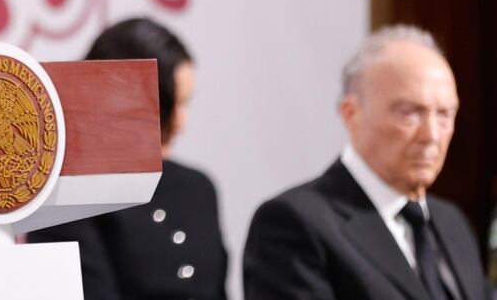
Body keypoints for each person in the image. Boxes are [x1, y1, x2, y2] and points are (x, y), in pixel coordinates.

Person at [243, 25, 487, 300]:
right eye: (408, 112)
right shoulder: (295, 223)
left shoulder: (451, 222)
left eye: (444, 114)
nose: (431, 135)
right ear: (351, 114)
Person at [28, 17, 228, 299]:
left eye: (186, 102)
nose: (181, 122)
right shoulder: (68, 196)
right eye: (168, 105)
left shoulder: (199, 188)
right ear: (120, 99)